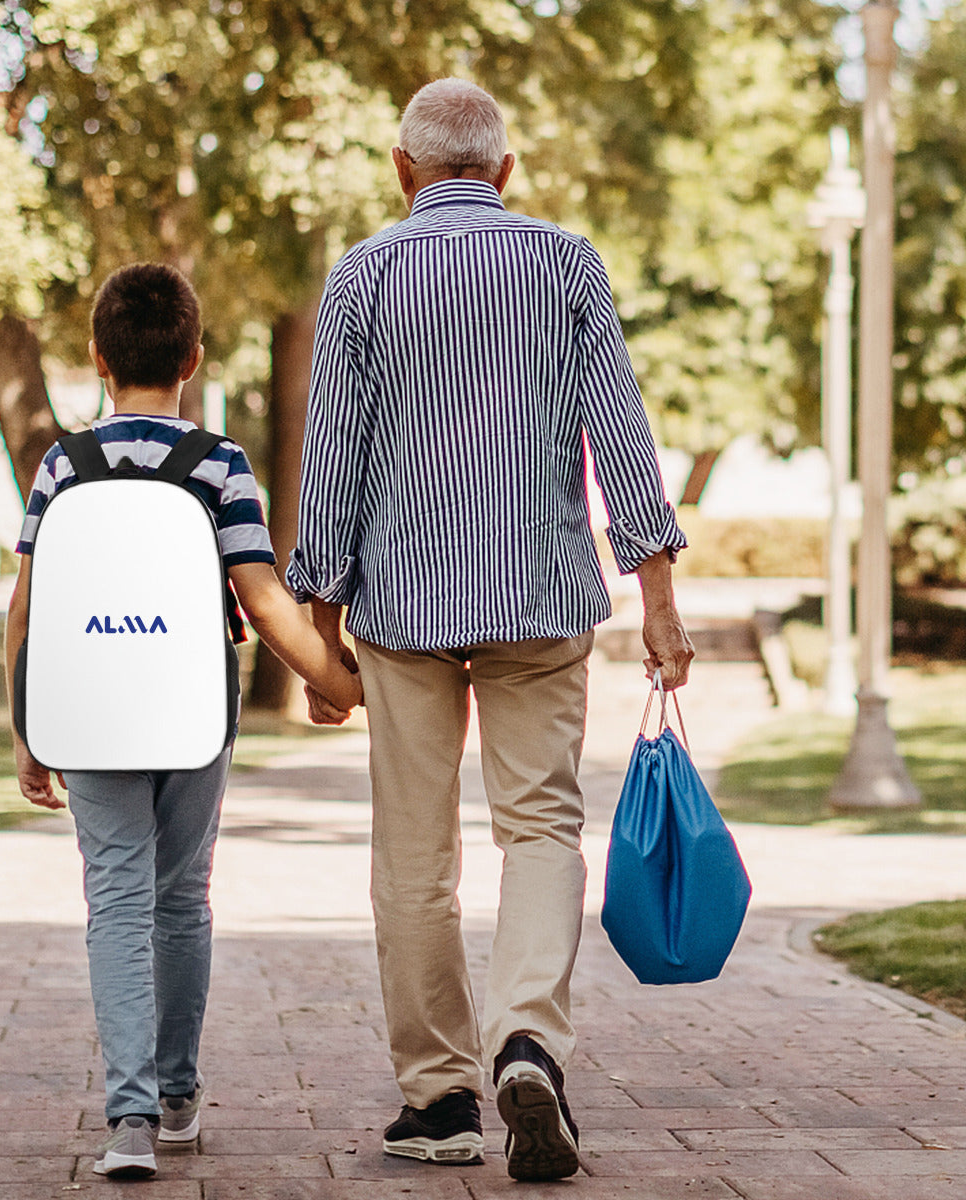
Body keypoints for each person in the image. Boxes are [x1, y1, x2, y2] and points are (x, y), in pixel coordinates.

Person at [287, 79, 694, 1182]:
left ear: (401, 167)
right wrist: (656, 593)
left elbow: (332, 465)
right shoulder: (567, 262)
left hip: (404, 610)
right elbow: (621, 426)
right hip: (540, 596)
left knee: (414, 858)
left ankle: (441, 1102)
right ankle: (529, 1042)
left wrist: (321, 633)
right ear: (504, 172)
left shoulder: (364, 275)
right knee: (542, 830)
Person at [3, 263, 363, 1181]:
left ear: (97, 357)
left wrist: (25, 727)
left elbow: (28, 607)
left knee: (116, 899)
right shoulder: (217, 465)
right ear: (194, 358)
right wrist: (346, 684)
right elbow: (265, 601)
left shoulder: (61, 466)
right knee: (181, 897)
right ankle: (175, 1099)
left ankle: (126, 1123)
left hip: (85, 707)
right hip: (195, 704)